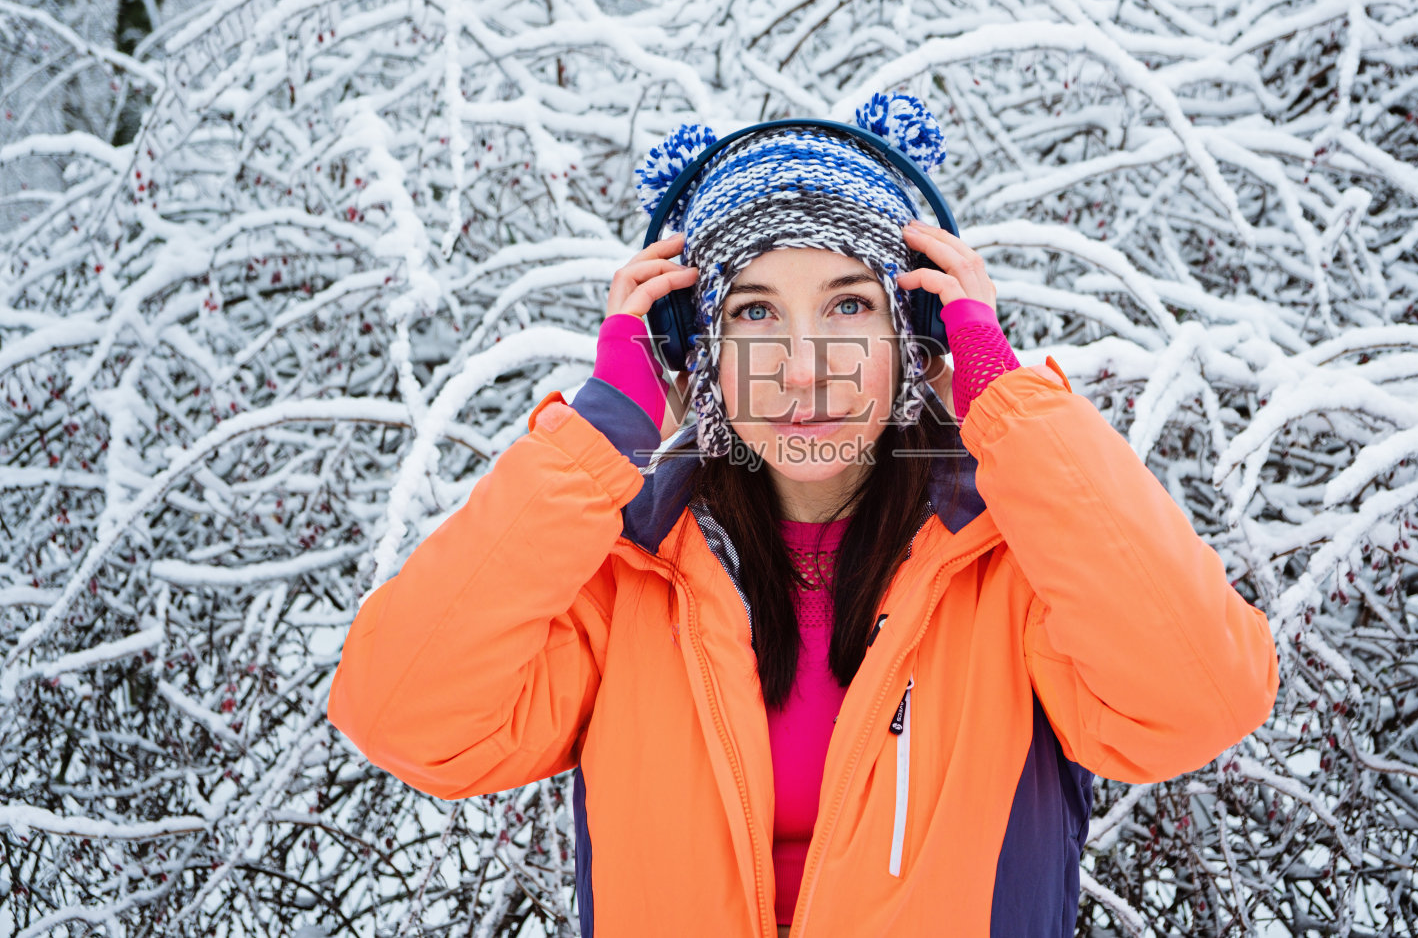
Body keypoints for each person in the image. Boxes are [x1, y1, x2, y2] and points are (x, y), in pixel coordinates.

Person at [328, 95, 1280, 938]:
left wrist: (1007, 406)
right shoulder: (626, 575)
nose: (800, 368)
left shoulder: (1015, 565)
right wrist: (602, 431)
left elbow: (1200, 697)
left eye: (849, 305)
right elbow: (403, 711)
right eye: (751, 315)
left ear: (915, 336)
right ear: (693, 346)